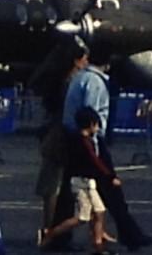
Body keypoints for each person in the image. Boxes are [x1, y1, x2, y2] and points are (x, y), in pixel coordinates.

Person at [63, 44, 152, 251]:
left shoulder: (80, 77)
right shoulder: (95, 82)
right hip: (89, 139)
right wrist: (95, 139)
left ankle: (58, 236)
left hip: (73, 137)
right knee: (112, 191)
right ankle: (131, 235)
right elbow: (90, 113)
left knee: (71, 192)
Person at [32, 39, 89, 249]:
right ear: (76, 61)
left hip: (52, 135)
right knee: (55, 187)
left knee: (54, 187)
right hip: (60, 137)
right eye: (84, 59)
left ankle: (52, 230)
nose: (86, 63)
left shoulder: (58, 80)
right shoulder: (70, 83)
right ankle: (50, 232)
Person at [41, 107, 113, 255]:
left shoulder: (79, 139)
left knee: (99, 210)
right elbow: (94, 160)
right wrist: (108, 175)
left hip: (88, 182)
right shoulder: (83, 142)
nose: (98, 128)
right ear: (91, 124)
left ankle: (98, 244)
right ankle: (51, 233)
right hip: (82, 182)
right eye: (97, 125)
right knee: (82, 217)